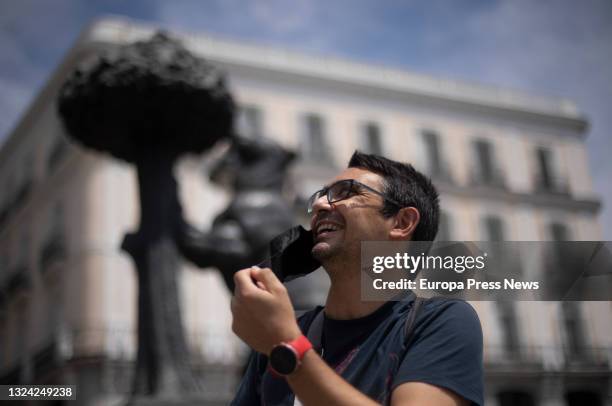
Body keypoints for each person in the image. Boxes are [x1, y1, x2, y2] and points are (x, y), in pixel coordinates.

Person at [230, 151, 484, 406]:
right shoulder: (287, 331)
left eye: (347, 192)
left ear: (402, 222)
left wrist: (287, 347)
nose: (319, 205)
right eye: (320, 197)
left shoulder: (442, 321)